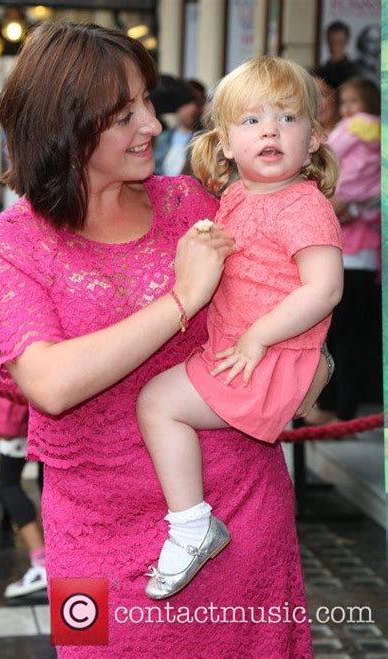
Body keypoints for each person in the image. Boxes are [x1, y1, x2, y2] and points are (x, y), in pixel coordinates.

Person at [0, 22, 330, 656]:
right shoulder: (8, 243)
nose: (153, 125)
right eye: (125, 113)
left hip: (238, 510)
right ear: (66, 125)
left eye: (146, 102)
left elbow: (292, 295)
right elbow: (49, 384)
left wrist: (307, 364)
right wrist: (181, 301)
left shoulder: (194, 201)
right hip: (93, 534)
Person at [137, 56, 343, 599]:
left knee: (158, 403)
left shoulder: (304, 205)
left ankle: (190, 525)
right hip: (242, 352)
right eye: (251, 121)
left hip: (266, 356)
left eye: (288, 118)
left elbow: (324, 288)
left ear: (315, 138)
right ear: (225, 143)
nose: (270, 130)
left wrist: (258, 336)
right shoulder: (237, 196)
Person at [307, 77, 381, 425]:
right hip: (338, 253)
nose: (349, 108)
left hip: (358, 256)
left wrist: (350, 205)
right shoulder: (339, 142)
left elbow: (364, 191)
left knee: (347, 340)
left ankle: (345, 414)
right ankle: (331, 408)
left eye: (353, 101)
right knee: (332, 337)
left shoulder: (358, 138)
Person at [0, 397, 46, 598]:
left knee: (6, 483)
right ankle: (53, 558)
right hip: (44, 409)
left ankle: (42, 562)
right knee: (47, 482)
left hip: (23, 411)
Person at [154, 79, 206, 175]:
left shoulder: (205, 141)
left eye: (197, 103)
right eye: (186, 102)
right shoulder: (162, 137)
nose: (192, 108)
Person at [319, 21, 358, 88]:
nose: (335, 46)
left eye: (339, 42)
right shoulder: (321, 70)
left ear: (346, 42)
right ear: (327, 41)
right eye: (332, 41)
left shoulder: (354, 72)